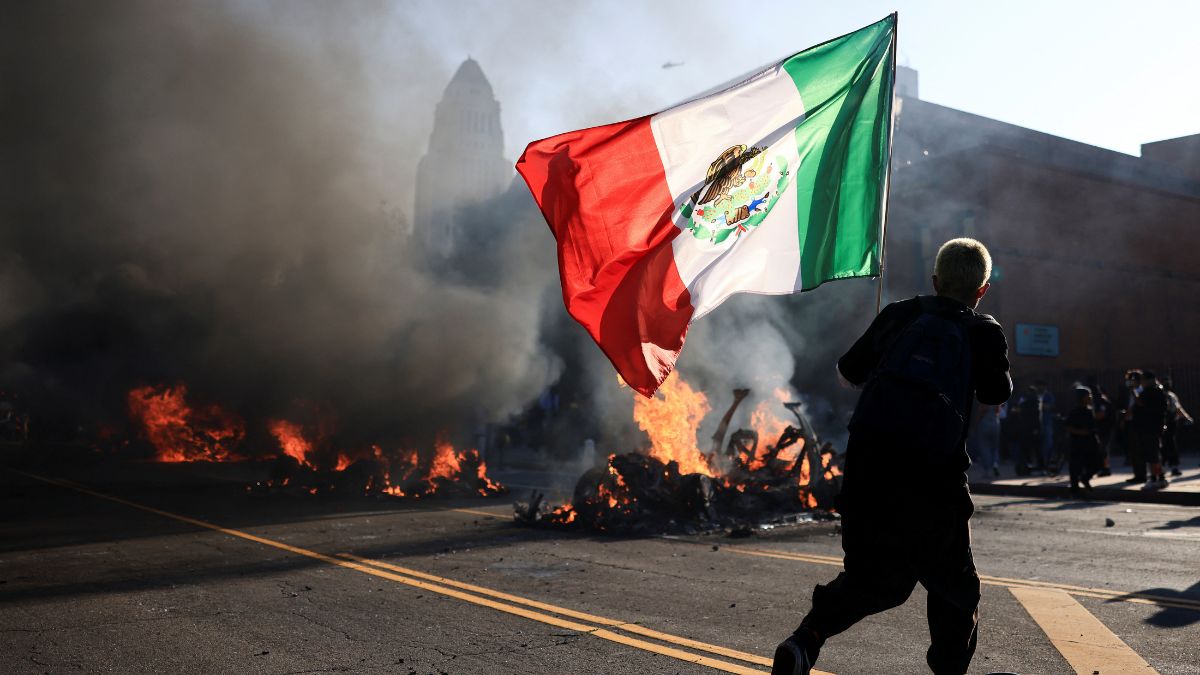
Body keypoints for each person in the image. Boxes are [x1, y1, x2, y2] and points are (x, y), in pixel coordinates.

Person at [773, 238, 1011, 675]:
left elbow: (848, 373)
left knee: (873, 580)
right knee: (953, 587)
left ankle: (804, 640)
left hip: (869, 472)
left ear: (936, 280)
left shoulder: (900, 314)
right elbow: (996, 393)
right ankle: (949, 670)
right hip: (935, 480)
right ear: (981, 289)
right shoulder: (984, 330)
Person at [1128, 370, 1169, 490]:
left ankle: (1154, 479)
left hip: (1149, 427)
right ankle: (1160, 477)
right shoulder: (1158, 390)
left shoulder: (1150, 391)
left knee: (1152, 455)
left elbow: (1140, 404)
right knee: (1155, 454)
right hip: (1154, 427)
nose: (1141, 383)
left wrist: (1133, 392)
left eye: (1143, 380)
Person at [1063, 387, 1099, 497]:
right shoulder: (1075, 411)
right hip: (1077, 443)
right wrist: (1080, 432)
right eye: (1087, 396)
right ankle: (1075, 489)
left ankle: (1085, 478)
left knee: (1096, 464)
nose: (1090, 398)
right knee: (1075, 467)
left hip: (1091, 442)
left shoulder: (1090, 410)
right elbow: (1067, 427)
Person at [1161, 377, 1193, 477]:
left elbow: (1178, 409)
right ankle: (1170, 465)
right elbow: (1178, 409)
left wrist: (1186, 417)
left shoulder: (1168, 396)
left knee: (1167, 444)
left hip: (1167, 422)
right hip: (1169, 422)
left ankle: (1167, 465)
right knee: (1169, 444)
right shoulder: (1170, 396)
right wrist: (1186, 417)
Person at [1092, 383, 1115, 477]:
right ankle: (1102, 468)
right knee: (1101, 450)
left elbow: (1101, 414)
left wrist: (1090, 417)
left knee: (1103, 450)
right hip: (1102, 428)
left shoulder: (1101, 401)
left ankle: (1105, 469)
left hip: (1105, 429)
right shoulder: (1101, 400)